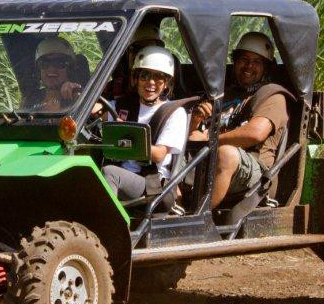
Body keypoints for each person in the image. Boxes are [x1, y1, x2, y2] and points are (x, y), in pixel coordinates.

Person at [189, 31, 291, 208]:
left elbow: (255, 134)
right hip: (209, 158)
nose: (249, 66)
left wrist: (209, 141)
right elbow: (193, 137)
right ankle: (172, 207)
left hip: (253, 171)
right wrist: (195, 120)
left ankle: (198, 218)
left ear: (266, 67)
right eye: (244, 59)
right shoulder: (223, 94)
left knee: (226, 154)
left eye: (257, 62)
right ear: (235, 62)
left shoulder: (272, 96)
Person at [100, 46, 189, 207]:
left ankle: (110, 229)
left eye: (159, 77)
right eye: (145, 75)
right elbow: (96, 111)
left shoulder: (174, 112)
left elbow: (159, 154)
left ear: (167, 82)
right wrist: (73, 93)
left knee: (109, 172)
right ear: (136, 79)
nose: (151, 83)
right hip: (124, 176)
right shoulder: (122, 105)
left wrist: (125, 134)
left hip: (152, 184)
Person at [106, 19, 163, 99]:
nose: (141, 55)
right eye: (135, 49)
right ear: (128, 53)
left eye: (148, 50)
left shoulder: (164, 88)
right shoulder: (114, 87)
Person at [23, 36, 82, 112]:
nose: (51, 69)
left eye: (59, 62)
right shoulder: (31, 100)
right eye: (44, 63)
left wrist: (79, 94)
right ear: (38, 69)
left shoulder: (78, 96)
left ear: (70, 69)